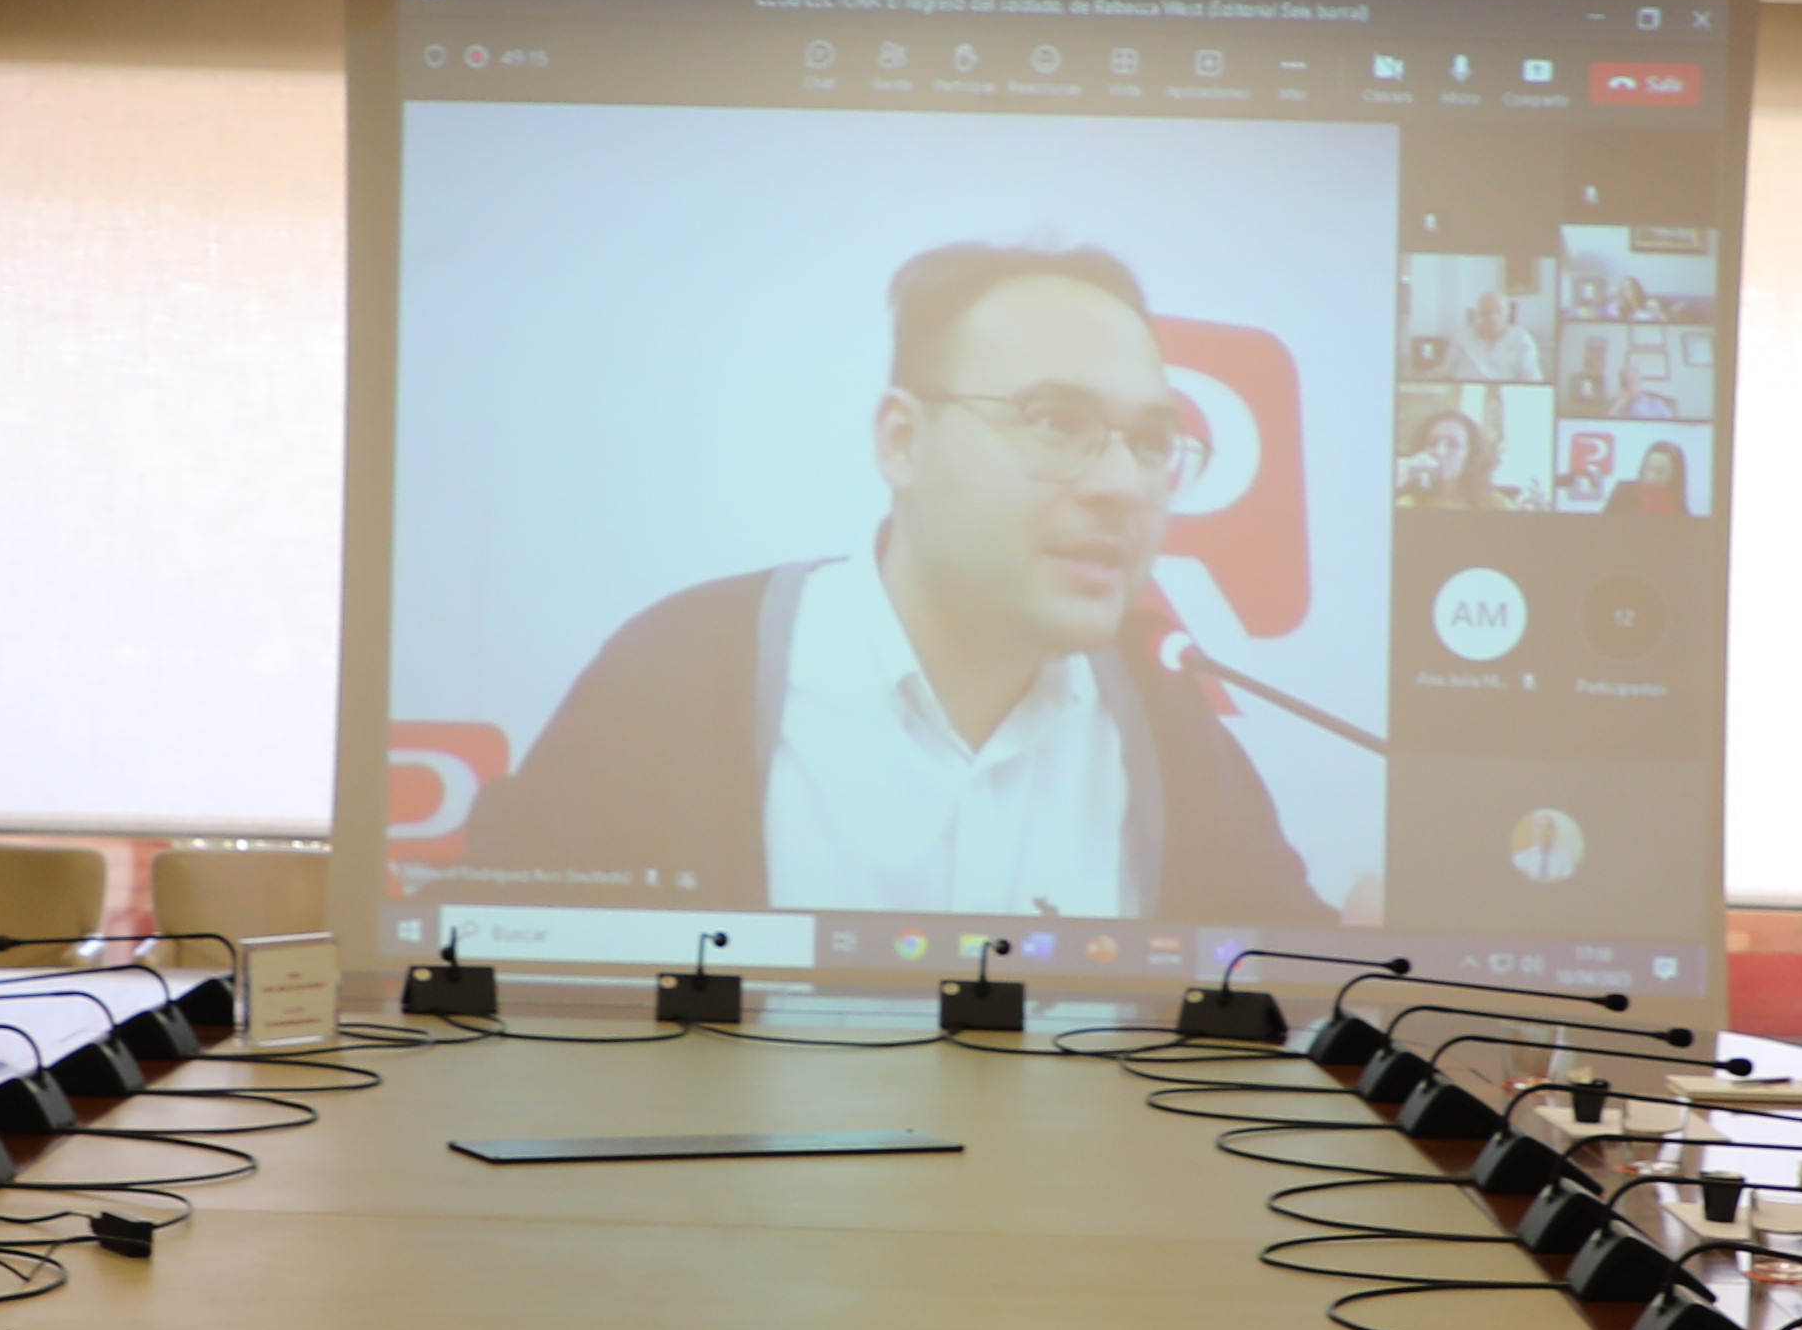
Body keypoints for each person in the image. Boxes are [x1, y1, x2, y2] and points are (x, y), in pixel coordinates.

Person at [464, 239, 1322, 920]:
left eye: (1149, 443)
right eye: (1055, 422)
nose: (1123, 485)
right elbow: (492, 972)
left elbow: (1277, 985)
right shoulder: (684, 675)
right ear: (902, 441)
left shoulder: (1165, 723)